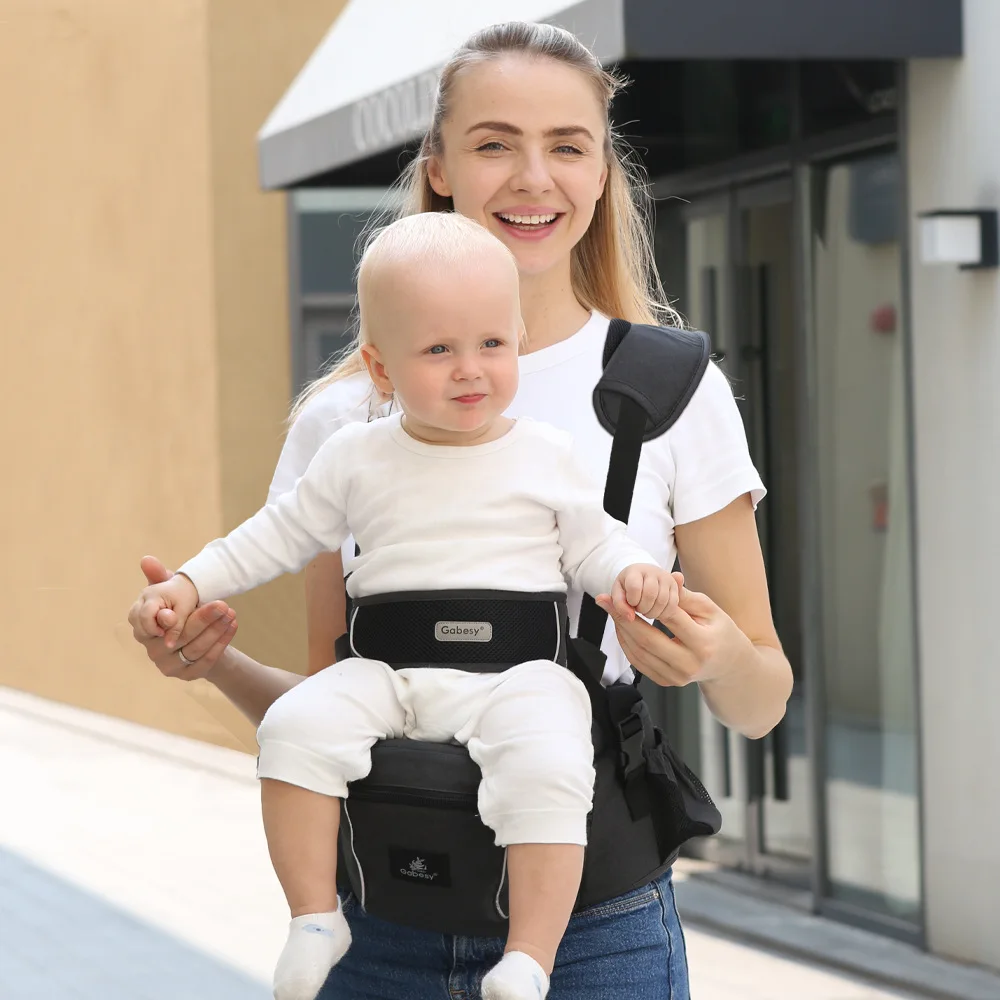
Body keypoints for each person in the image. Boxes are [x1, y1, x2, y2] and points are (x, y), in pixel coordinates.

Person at [129, 20, 793, 1000]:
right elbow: (332, 694)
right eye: (494, 144)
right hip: (379, 926)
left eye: (567, 145)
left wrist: (713, 656)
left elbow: (762, 698)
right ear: (439, 167)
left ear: (602, 172)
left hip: (596, 934)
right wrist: (210, 656)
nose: (534, 177)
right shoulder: (346, 415)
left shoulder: (668, 390)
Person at [132, 213, 683, 1000]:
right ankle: (315, 916)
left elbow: (596, 545)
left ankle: (529, 955)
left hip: (517, 672)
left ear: (518, 340)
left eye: (492, 344)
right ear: (379, 366)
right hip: (388, 670)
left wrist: (635, 574)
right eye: (438, 350)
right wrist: (187, 584)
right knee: (296, 728)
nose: (470, 370)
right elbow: (273, 536)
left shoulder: (545, 454)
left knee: (551, 761)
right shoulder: (353, 456)